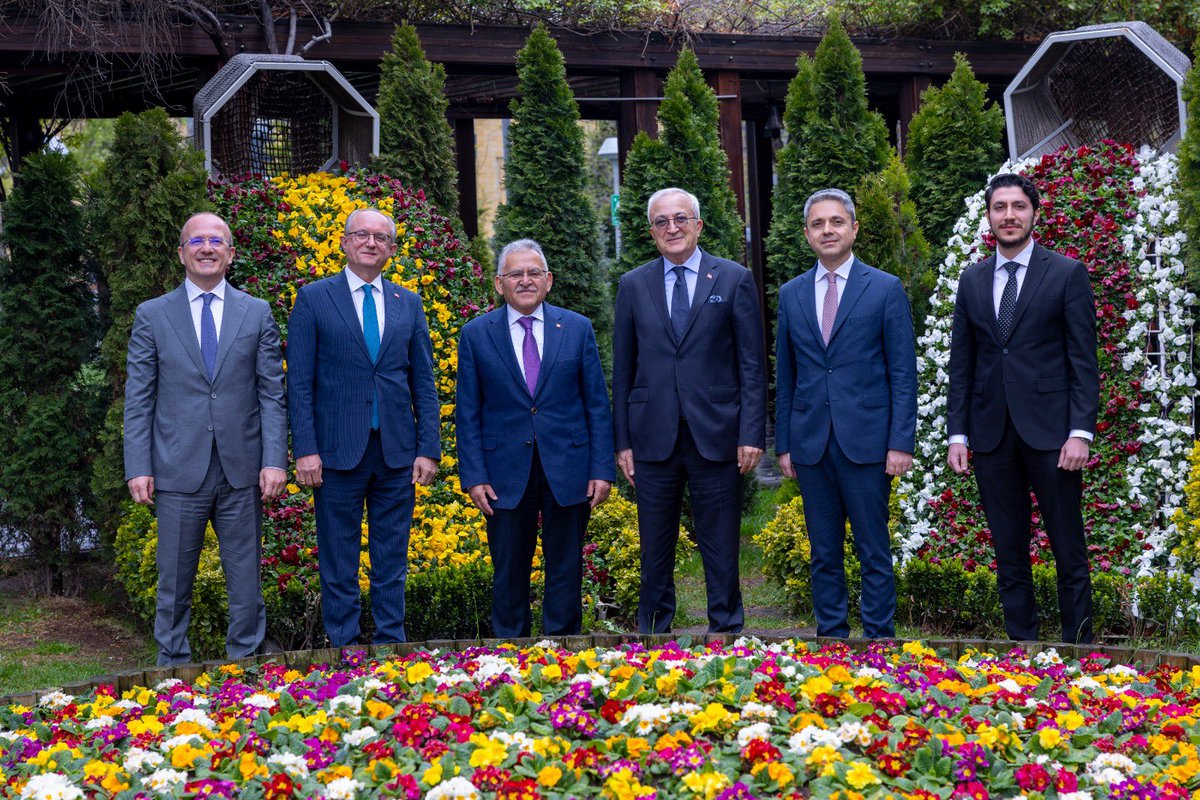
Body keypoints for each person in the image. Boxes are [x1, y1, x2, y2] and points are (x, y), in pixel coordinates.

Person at [124, 211, 288, 666]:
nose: (207, 248)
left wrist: (275, 460)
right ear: (181, 253)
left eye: (217, 241)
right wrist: (138, 465)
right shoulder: (152, 315)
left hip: (243, 472)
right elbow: (139, 398)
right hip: (177, 471)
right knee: (174, 581)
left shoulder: (257, 312)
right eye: (196, 241)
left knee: (246, 583)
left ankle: (246, 667)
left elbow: (272, 394)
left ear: (231, 254)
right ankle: (172, 670)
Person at [947, 172, 1099, 644]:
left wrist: (1080, 432)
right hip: (991, 436)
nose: (1008, 216)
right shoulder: (972, 280)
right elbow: (962, 364)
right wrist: (958, 435)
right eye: (999, 208)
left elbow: (1083, 361)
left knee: (1067, 547)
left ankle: (1078, 648)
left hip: (1053, 436)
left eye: (1018, 207)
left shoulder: (1066, 273)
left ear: (1035, 212)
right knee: (1008, 549)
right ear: (989, 216)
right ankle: (1023, 646)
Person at [612, 187, 767, 634]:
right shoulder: (633, 284)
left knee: (720, 544)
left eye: (681, 219)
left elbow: (752, 365)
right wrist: (622, 441)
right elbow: (623, 369)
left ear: (698, 225)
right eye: (661, 222)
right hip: (651, 437)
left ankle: (726, 632)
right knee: (654, 547)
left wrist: (751, 433)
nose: (672, 228)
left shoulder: (733, 278)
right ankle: (654, 636)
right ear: (651, 232)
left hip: (717, 434)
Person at [286, 207, 441, 647]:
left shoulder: (407, 302)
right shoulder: (314, 298)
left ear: (392, 250)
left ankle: (391, 641)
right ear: (344, 243)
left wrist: (428, 447)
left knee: (391, 555)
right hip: (335, 452)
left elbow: (423, 381)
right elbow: (298, 383)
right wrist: (305, 449)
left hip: (396, 451)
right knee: (339, 557)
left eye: (380, 237)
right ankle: (345, 646)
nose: (370, 243)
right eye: (361, 235)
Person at [774, 188, 917, 640]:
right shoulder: (792, 294)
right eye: (818, 224)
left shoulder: (885, 288)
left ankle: (879, 639)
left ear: (853, 228)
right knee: (823, 550)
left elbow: (903, 372)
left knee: (873, 547)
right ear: (807, 234)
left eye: (836, 222)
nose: (827, 230)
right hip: (811, 442)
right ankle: (831, 638)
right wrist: (785, 444)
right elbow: (787, 374)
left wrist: (900, 442)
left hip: (869, 441)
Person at [455, 239, 615, 637]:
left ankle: (563, 649)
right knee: (509, 568)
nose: (525, 281)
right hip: (503, 472)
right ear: (499, 283)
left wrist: (602, 469)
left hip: (569, 467)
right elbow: (468, 411)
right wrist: (473, 476)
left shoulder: (577, 328)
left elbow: (596, 403)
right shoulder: (476, 334)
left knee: (566, 565)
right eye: (515, 274)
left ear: (548, 281)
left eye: (534, 273)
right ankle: (509, 654)